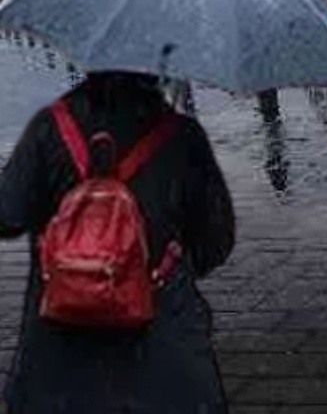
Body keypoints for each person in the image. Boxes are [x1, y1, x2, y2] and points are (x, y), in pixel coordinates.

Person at [0, 71, 235, 413]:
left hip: (58, 365)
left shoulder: (49, 128)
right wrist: (157, 273)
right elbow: (216, 240)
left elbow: (7, 218)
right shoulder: (182, 137)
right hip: (164, 363)